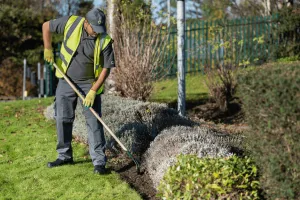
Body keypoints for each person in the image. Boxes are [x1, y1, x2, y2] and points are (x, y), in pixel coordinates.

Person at [42, 8, 115, 174]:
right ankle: (64, 156)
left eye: (100, 29)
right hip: (66, 79)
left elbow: (106, 68)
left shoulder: (105, 41)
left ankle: (99, 162)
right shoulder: (71, 23)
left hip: (89, 84)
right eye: (94, 29)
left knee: (94, 122)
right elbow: (46, 26)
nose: (97, 32)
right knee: (62, 118)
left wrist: (93, 91)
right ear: (86, 23)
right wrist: (48, 48)